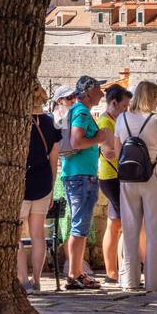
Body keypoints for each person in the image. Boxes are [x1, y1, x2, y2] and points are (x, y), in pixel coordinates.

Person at [116, 81, 157, 293]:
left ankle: (128, 280)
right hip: (153, 177)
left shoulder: (122, 119)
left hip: (127, 179)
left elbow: (116, 150)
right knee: (153, 230)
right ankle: (153, 282)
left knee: (130, 229)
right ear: (152, 97)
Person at [62, 75, 114, 290]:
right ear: (89, 91)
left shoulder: (77, 110)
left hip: (78, 174)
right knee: (80, 226)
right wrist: (99, 139)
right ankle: (75, 274)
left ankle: (76, 273)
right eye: (99, 89)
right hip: (82, 176)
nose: (102, 93)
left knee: (79, 225)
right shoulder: (82, 112)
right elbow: (76, 141)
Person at [19, 84, 59, 291]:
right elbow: (54, 160)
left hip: (21, 185)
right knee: (38, 235)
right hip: (43, 183)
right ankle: (37, 280)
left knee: (14, 235)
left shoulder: (18, 124)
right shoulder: (50, 124)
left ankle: (23, 280)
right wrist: (51, 188)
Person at [96, 85, 132, 285]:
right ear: (114, 103)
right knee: (124, 224)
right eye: (124, 105)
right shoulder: (106, 122)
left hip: (112, 176)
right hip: (112, 176)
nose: (126, 109)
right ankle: (119, 271)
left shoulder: (114, 121)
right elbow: (110, 151)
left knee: (114, 223)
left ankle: (112, 272)